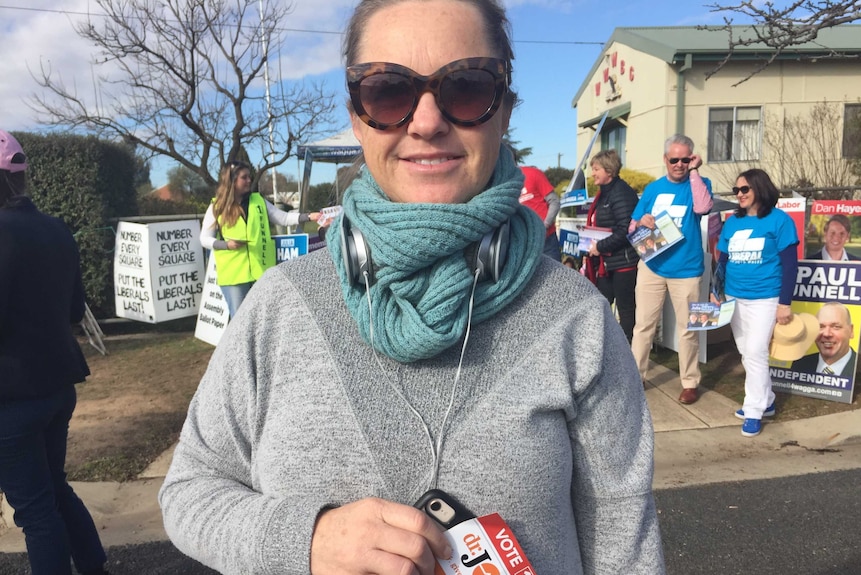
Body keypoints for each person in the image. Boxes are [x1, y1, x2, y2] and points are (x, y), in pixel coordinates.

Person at [159, 1, 665, 574]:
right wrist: (307, 541)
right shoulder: (280, 304)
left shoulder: (574, 318)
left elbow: (625, 544)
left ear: (505, 111)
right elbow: (190, 490)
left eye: (467, 87)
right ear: (357, 116)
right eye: (389, 92)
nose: (426, 122)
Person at [0, 130, 110, 575]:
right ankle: (94, 568)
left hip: (12, 399)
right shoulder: (57, 228)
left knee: (36, 513)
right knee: (55, 491)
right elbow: (72, 308)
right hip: (57, 387)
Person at [713, 169, 799, 437]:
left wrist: (784, 303)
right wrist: (716, 292)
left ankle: (753, 410)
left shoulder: (779, 221)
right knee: (745, 350)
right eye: (736, 190)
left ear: (760, 189)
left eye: (744, 190)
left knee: (755, 351)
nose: (739, 194)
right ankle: (768, 400)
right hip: (735, 297)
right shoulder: (732, 222)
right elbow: (722, 261)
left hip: (766, 297)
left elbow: (790, 266)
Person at [630, 134, 713, 403]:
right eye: (674, 159)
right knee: (643, 326)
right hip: (652, 266)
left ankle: (690, 382)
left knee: (689, 329)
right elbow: (632, 228)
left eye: (685, 159)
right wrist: (641, 222)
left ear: (692, 158)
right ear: (665, 160)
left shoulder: (700, 183)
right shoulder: (653, 189)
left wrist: (696, 171)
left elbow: (703, 207)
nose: (679, 164)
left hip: (687, 270)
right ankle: (635, 378)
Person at [199, 160, 320, 317]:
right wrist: (226, 245)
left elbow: (283, 218)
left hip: (260, 272)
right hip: (234, 276)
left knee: (264, 318)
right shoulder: (217, 207)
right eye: (244, 177)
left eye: (249, 176)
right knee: (240, 321)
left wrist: (310, 216)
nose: (249, 180)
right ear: (232, 180)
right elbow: (204, 239)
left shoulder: (258, 201)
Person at [586, 149, 639, 342]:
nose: (593, 173)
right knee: (600, 304)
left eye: (596, 169)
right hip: (607, 263)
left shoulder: (621, 193)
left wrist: (600, 246)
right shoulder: (604, 194)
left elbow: (626, 229)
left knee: (625, 309)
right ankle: (605, 344)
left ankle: (627, 349)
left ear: (609, 170)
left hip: (623, 263)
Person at [792, 302, 857, 379]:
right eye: (821, 327)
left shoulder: (858, 366)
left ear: (851, 330)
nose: (826, 334)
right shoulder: (800, 365)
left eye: (836, 327)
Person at [519, 165, 561, 260]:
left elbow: (554, 202)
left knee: (554, 274)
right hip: (523, 244)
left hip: (546, 241)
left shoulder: (532, 173)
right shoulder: (503, 183)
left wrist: (544, 226)